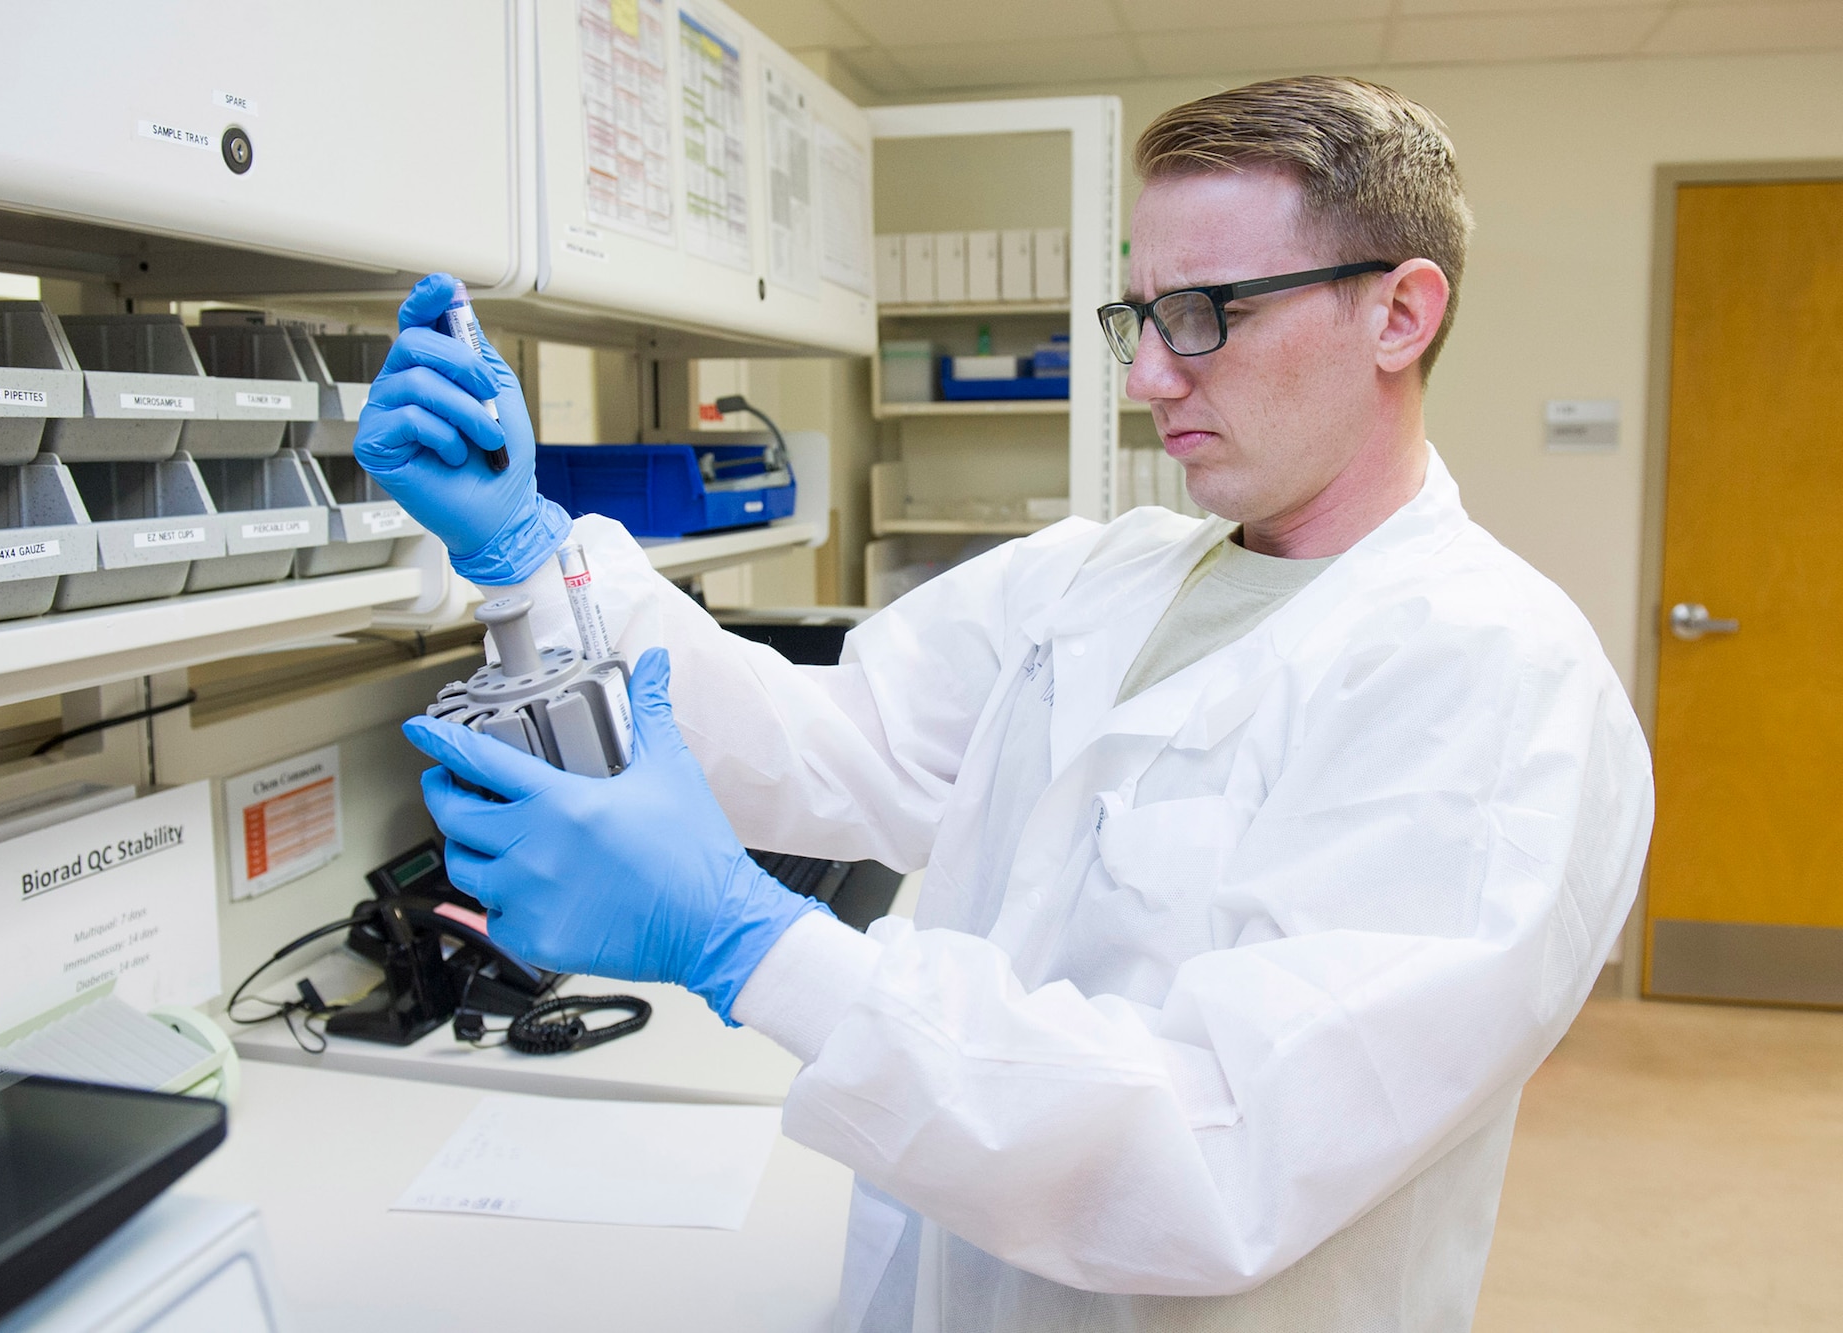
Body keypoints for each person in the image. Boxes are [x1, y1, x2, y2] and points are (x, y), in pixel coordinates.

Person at [355, 75, 1652, 1333]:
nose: (1149, 376)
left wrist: (749, 941)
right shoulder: (1096, 575)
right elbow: (833, 739)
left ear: (1399, 313)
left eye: (1203, 311)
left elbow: (1217, 1149)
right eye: (1135, 315)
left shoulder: (1498, 681)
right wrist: (524, 549)